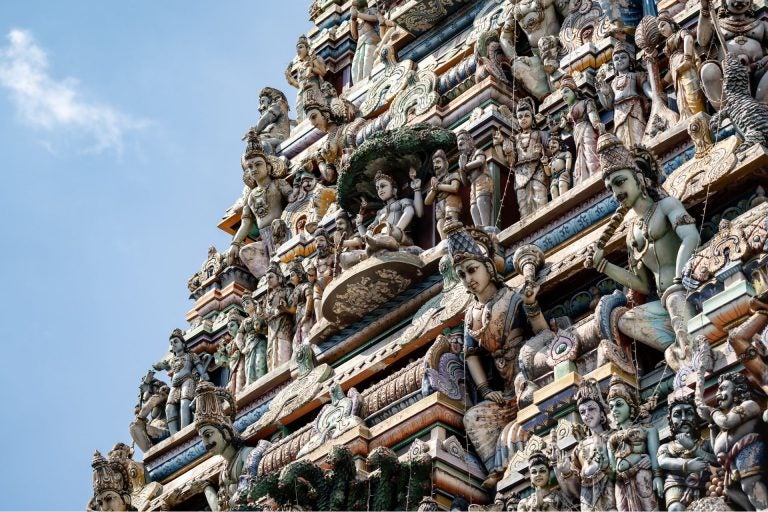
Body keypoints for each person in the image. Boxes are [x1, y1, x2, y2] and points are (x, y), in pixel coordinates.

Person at [445, 220, 548, 488]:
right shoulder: (471, 315)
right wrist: (484, 388)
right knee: (473, 418)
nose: (469, 279)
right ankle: (496, 468)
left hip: (528, 373)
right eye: (462, 275)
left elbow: (543, 333)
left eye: (472, 270)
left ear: (488, 268)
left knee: (529, 396)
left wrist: (531, 305)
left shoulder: (511, 298)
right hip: (504, 391)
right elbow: (471, 354)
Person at [584, 132, 699, 371]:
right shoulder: (631, 234)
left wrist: (679, 278)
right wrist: (604, 265)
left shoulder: (666, 206)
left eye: (620, 182)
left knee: (675, 301)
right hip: (664, 301)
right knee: (626, 321)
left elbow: (691, 237)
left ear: (639, 178)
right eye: (611, 188)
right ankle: (677, 347)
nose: (616, 192)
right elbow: (644, 286)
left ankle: (689, 351)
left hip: (686, 288)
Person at [695, 371, 768, 510]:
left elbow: (727, 422)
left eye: (723, 389)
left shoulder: (749, 405)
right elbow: (716, 448)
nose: (718, 394)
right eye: (717, 391)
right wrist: (711, 423)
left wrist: (712, 412)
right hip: (732, 464)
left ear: (737, 390)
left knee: (750, 483)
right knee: (731, 491)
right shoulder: (722, 423)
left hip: (749, 450)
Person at [227, 131, 292, 275]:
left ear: (268, 167)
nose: (254, 169)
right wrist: (235, 243)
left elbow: (293, 200)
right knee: (245, 252)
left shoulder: (278, 184)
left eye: (258, 164)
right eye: (250, 166)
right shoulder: (250, 196)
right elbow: (246, 223)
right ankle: (268, 278)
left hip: (281, 231)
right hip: (264, 238)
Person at [339, 170, 423, 269]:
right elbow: (367, 235)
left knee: (387, 237)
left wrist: (417, 189)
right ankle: (372, 251)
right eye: (377, 188)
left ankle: (377, 247)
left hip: (400, 240)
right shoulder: (380, 212)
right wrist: (359, 224)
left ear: (394, 189)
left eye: (383, 186)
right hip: (380, 243)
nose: (380, 190)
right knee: (344, 258)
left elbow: (412, 213)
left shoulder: (403, 202)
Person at [555, 378, 616, 511]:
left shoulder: (613, 437)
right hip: (588, 502)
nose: (587, 414)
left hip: (611, 496)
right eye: (582, 412)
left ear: (602, 414)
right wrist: (566, 472)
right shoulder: (579, 449)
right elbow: (576, 492)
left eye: (591, 409)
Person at [606, 376, 662, 511]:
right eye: (611, 407)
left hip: (642, 477)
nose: (614, 410)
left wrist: (658, 476)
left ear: (631, 406)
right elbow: (613, 469)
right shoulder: (611, 439)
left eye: (619, 404)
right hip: (621, 484)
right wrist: (604, 465)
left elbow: (655, 455)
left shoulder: (647, 430)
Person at [657, 392, 716, 511]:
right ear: (670, 421)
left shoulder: (706, 443)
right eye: (677, 415)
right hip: (676, 483)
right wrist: (687, 464)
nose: (684, 418)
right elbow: (662, 461)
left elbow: (717, 460)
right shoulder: (667, 447)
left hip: (705, 483)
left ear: (696, 418)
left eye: (689, 413)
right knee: (675, 508)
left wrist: (693, 448)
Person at [153, 329, 209, 434]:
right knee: (169, 408)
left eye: (176, 341)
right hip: (175, 385)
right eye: (171, 343)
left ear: (183, 344)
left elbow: (199, 366)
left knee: (184, 403)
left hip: (187, 380)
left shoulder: (191, 355)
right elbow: (164, 366)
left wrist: (203, 374)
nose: (173, 344)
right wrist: (159, 366)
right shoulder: (172, 360)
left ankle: (184, 430)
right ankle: (174, 435)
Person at [597, 43, 652, 149]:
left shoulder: (635, 76)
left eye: (623, 57)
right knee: (622, 136)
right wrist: (604, 93)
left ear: (630, 61)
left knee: (637, 131)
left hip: (634, 108)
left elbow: (648, 90)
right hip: (618, 113)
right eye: (616, 59)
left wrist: (655, 97)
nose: (620, 60)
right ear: (613, 65)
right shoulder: (613, 83)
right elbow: (608, 106)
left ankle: (641, 151)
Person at [657, 14, 705, 120]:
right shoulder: (671, 55)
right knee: (682, 100)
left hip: (687, 68)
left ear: (672, 24)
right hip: (677, 75)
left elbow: (688, 38)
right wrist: (661, 84)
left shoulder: (681, 32)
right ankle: (691, 121)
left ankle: (700, 119)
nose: (661, 29)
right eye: (659, 29)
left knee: (693, 96)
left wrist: (687, 59)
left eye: (663, 25)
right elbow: (671, 70)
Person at [559, 76, 603, 186]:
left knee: (590, 152)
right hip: (577, 134)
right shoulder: (568, 114)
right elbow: (572, 130)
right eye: (562, 94)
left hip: (587, 130)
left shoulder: (586, 102)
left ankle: (596, 172)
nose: (564, 96)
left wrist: (597, 125)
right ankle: (584, 179)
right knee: (580, 157)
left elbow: (592, 115)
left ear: (575, 91)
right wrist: (565, 126)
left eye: (566, 91)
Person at [457, 130, 493, 227]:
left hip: (482, 180)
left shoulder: (478, 152)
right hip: (473, 185)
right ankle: (479, 229)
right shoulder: (465, 160)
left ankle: (486, 226)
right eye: (458, 144)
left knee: (481, 201)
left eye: (462, 140)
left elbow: (480, 161)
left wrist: (465, 167)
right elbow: (465, 183)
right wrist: (461, 169)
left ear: (470, 141)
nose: (460, 144)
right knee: (473, 208)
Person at [424, 149, 462, 239]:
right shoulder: (433, 183)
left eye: (438, 162)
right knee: (440, 223)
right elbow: (427, 201)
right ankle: (445, 242)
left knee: (451, 223)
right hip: (439, 205)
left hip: (451, 201)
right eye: (434, 164)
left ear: (446, 163)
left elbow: (454, 188)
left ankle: (454, 241)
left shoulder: (453, 175)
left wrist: (438, 186)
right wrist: (434, 189)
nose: (435, 166)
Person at [349, 0, 381, 84]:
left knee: (368, 57)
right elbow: (354, 36)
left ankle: (369, 78)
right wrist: (353, 19)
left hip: (371, 38)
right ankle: (360, 83)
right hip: (360, 42)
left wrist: (358, 15)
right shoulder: (356, 19)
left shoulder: (371, 10)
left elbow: (375, 18)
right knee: (356, 63)